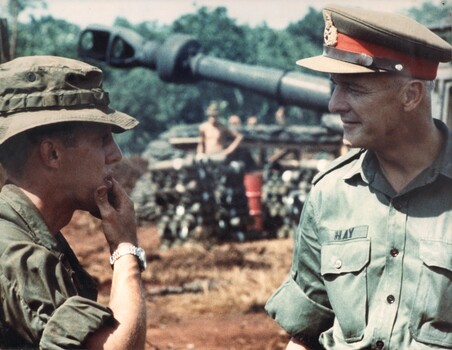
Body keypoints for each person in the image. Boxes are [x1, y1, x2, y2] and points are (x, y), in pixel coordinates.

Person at [265, 5, 451, 350]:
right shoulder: (331, 193)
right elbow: (306, 334)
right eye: (335, 86)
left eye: (355, 89)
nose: (335, 105)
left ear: (410, 95)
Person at [0, 56, 147, 349]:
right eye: (103, 139)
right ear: (52, 154)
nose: (116, 155)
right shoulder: (16, 254)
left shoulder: (32, 235)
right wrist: (125, 250)